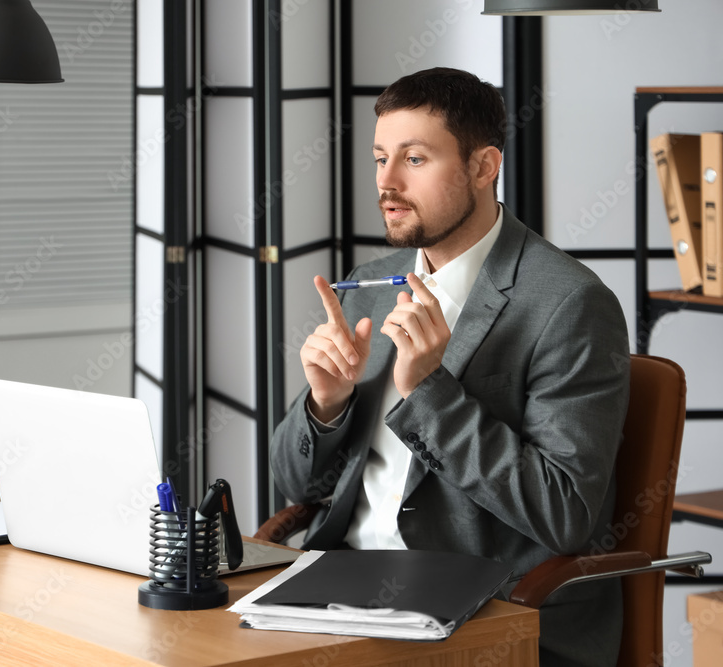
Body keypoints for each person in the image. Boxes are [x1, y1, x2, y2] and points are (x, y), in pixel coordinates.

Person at [270, 67, 630, 667]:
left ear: (484, 167)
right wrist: (324, 406)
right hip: (338, 593)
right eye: (380, 157)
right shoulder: (366, 289)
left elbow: (563, 515)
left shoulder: (570, 304)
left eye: (413, 159)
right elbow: (294, 488)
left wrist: (430, 391)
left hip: (487, 609)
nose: (385, 181)